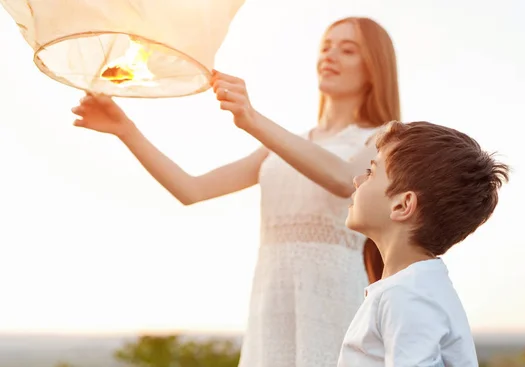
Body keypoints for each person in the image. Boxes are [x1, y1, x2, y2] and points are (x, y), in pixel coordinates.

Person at [71, 16, 399, 367]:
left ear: (373, 67)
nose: (329, 56)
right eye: (325, 47)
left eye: (347, 49)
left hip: (333, 302)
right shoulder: (287, 144)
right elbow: (191, 189)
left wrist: (252, 120)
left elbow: (343, 179)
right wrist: (126, 130)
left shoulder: (386, 137)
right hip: (270, 303)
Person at [337, 120, 510, 367]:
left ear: (402, 205)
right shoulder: (417, 288)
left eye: (371, 172)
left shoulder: (406, 296)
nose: (357, 179)